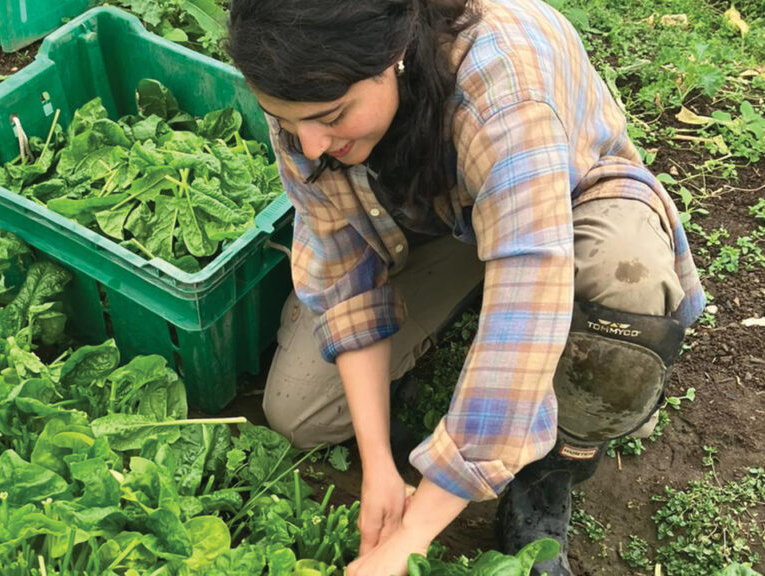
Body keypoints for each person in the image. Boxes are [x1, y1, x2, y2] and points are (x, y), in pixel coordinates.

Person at [227, 0, 705, 574]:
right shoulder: (306, 107)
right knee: (300, 412)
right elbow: (340, 268)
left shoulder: (503, 89)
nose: (308, 145)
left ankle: (547, 470)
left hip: (567, 206)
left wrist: (413, 535)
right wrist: (379, 464)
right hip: (441, 220)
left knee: (619, 304)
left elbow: (525, 309)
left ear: (393, 60)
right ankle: (464, 301)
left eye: (331, 115)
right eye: (285, 120)